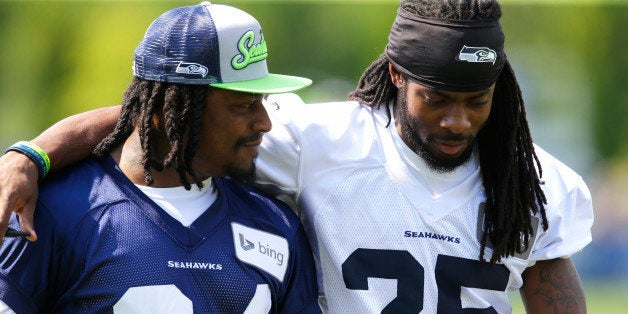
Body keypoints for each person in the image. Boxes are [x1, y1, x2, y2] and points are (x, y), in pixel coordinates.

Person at [0, 0, 594, 313]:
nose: (457, 121)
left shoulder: (538, 183)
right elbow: (161, 118)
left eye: (478, 101)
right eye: (437, 99)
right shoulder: (319, 141)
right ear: (396, 76)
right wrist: (30, 155)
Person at [0, 2, 321, 313]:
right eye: (242, 105)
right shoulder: (54, 213)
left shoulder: (276, 225)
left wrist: (31, 154)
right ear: (172, 108)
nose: (264, 122)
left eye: (261, 101)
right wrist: (28, 155)